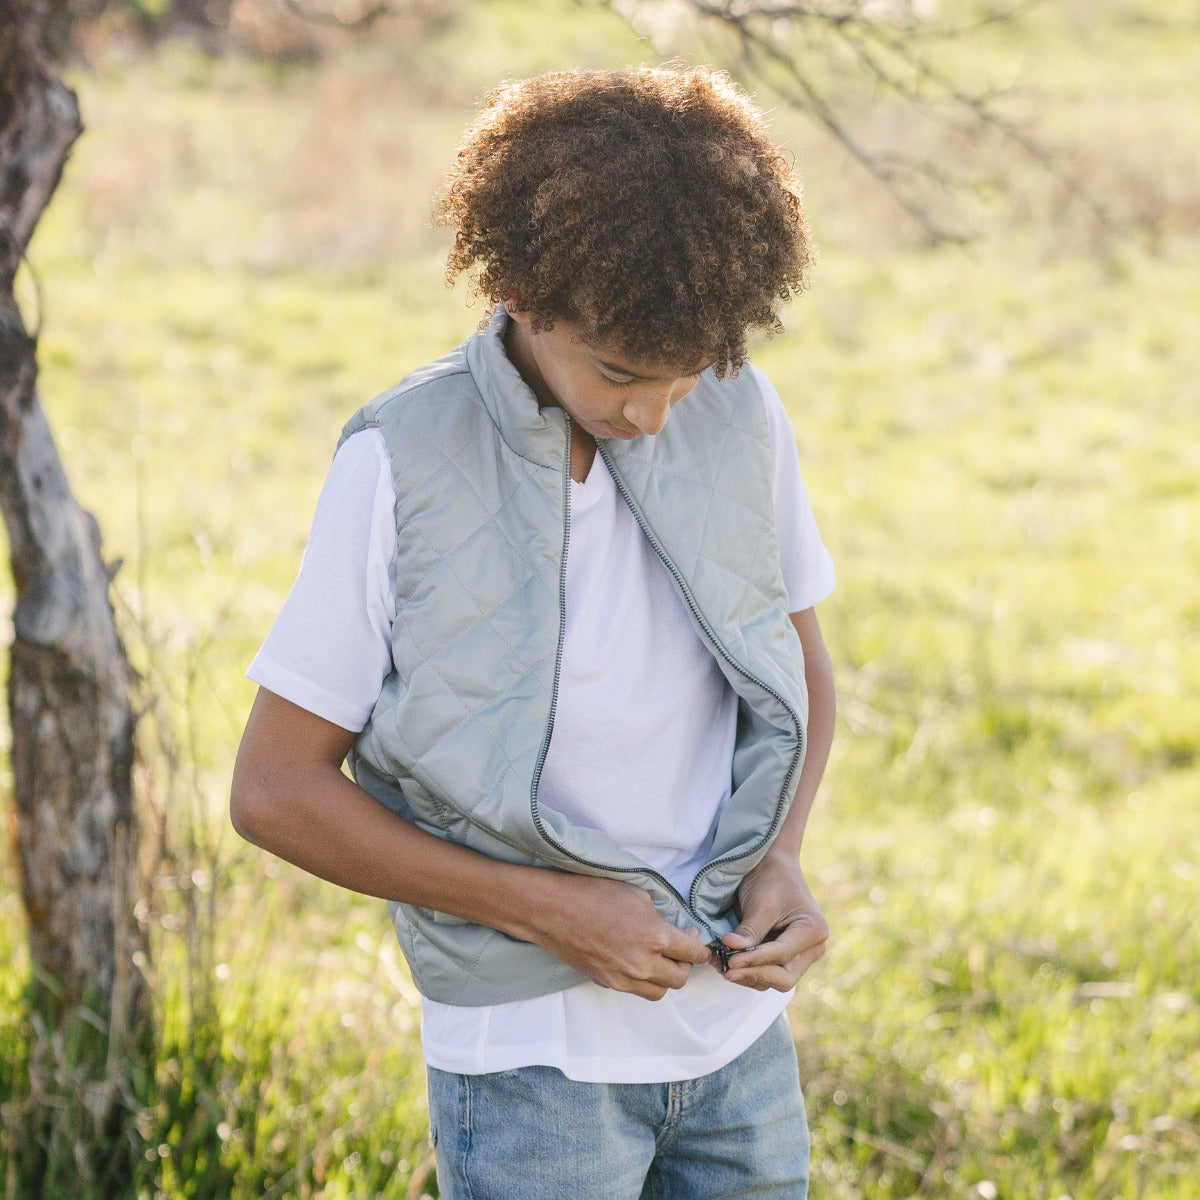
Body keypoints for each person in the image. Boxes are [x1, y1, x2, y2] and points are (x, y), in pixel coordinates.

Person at [231, 64, 836, 1200]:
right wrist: (553, 911)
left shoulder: (741, 409)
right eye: (619, 372)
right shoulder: (401, 460)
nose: (651, 414)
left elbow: (796, 662)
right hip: (531, 1064)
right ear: (520, 290)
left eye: (684, 377)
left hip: (736, 1040)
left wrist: (781, 856)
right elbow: (274, 791)